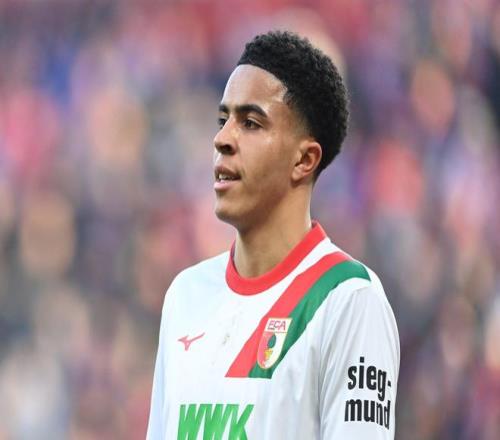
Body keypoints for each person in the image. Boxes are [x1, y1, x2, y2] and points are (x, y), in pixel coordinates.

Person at [147, 30, 399, 439]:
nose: (222, 139)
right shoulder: (185, 296)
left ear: (304, 159)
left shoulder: (348, 299)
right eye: (223, 120)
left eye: (250, 123)